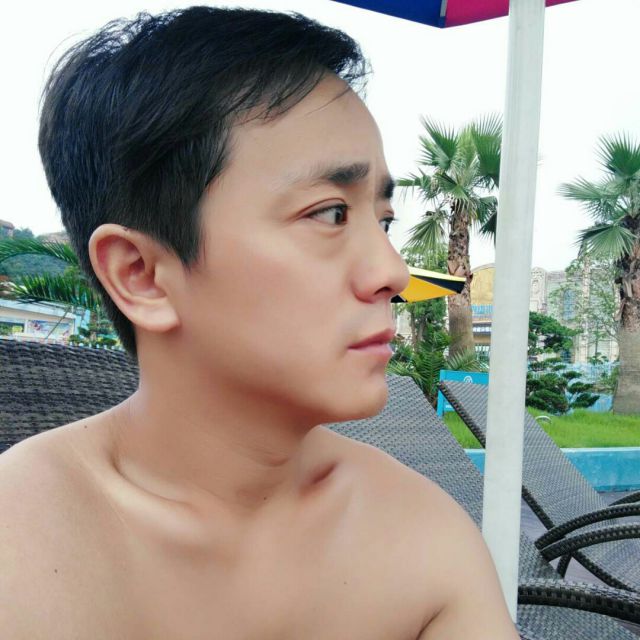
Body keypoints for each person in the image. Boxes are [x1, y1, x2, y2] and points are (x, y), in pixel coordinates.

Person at [0, 7, 518, 638]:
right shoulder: (23, 552)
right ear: (141, 275)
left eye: (382, 220)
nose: (393, 271)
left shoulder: (418, 540)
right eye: (329, 213)